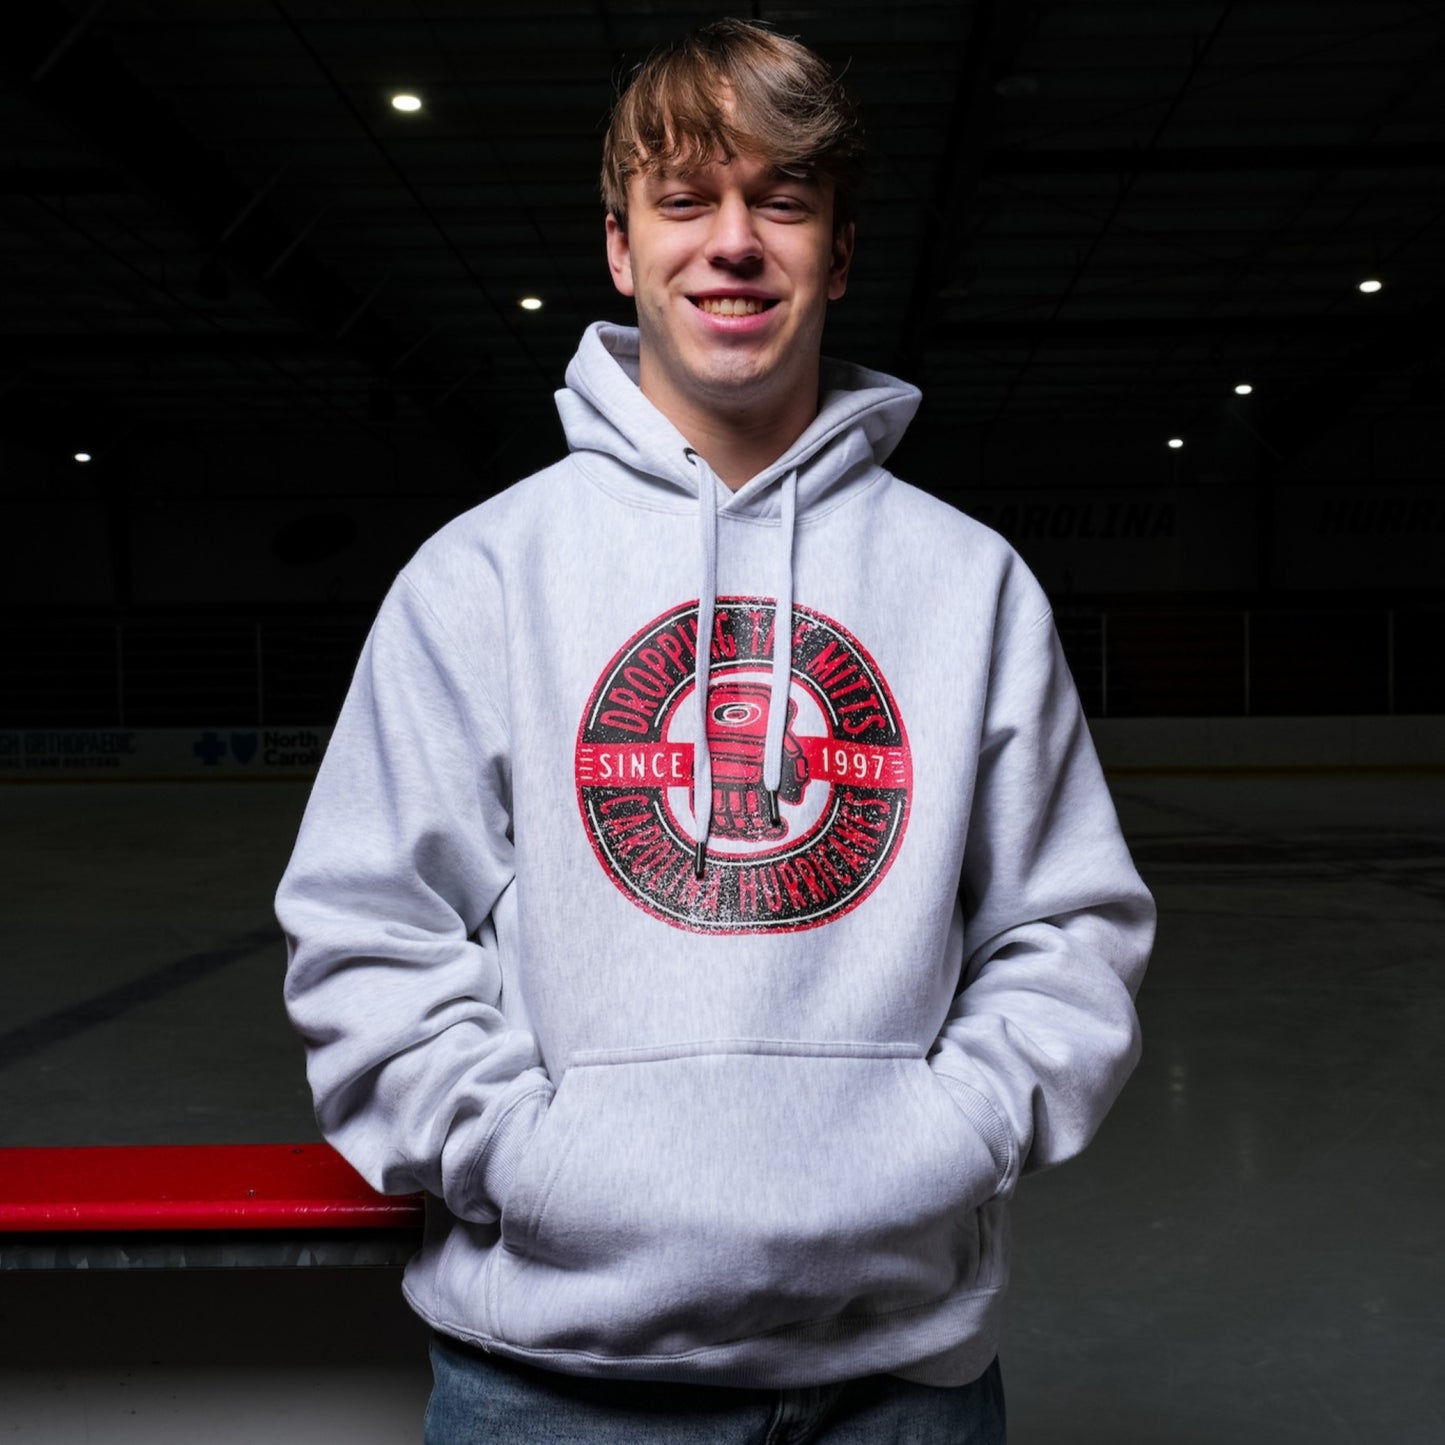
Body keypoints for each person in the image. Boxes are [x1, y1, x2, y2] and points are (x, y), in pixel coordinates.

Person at [276, 19, 1155, 1442]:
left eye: (780, 200)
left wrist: (944, 1138)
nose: (731, 241)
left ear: (838, 250)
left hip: (897, 1380)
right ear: (621, 251)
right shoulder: (482, 575)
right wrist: (539, 1162)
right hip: (552, 1383)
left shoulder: (967, 581)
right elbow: (366, 931)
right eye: (683, 201)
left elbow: (1069, 933)